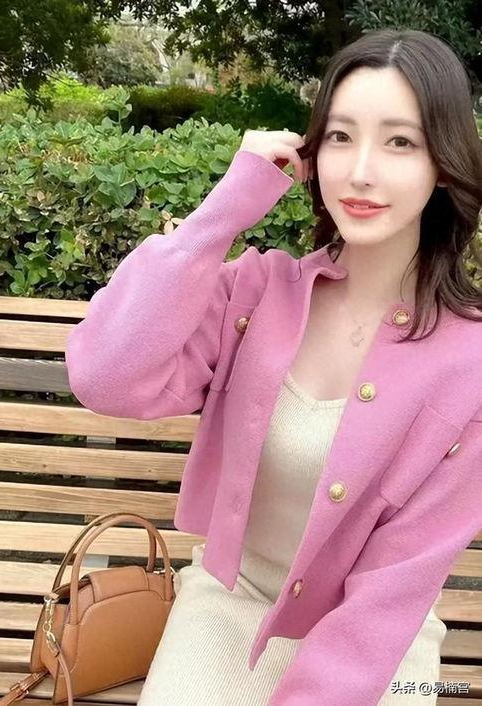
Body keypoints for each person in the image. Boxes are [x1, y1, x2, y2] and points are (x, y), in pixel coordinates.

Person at [65, 28, 482, 706]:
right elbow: (106, 377)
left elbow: (393, 592)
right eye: (340, 136)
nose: (361, 171)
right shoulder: (255, 295)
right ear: (312, 152)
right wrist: (221, 213)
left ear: (444, 162)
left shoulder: (470, 362)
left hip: (375, 644)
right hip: (226, 605)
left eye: (400, 142)